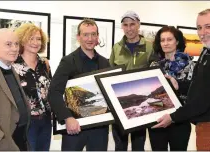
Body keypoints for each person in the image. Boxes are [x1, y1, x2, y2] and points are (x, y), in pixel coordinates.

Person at [152, 9, 210, 151]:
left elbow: (204, 98)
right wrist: (180, 86)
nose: (202, 33)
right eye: (199, 28)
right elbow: (202, 84)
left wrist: (173, 117)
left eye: (208, 27)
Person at [48, 18, 110, 151]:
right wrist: (67, 118)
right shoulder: (68, 61)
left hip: (100, 128)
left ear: (97, 37)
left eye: (93, 34)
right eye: (86, 34)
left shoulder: (106, 63)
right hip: (74, 127)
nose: (90, 38)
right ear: (78, 37)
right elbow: (54, 93)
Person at [109, 10, 154, 151]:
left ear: (138, 24)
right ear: (122, 27)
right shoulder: (116, 48)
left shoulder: (149, 46)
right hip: (119, 105)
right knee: (120, 146)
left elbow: (156, 70)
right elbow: (110, 73)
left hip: (141, 111)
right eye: (125, 25)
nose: (129, 28)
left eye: (132, 24)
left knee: (138, 146)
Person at [148, 26, 195, 151]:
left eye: (169, 39)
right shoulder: (154, 66)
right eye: (162, 40)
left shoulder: (190, 65)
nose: (165, 43)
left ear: (177, 41)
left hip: (180, 120)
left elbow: (195, 90)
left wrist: (178, 85)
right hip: (157, 120)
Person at [12, 23, 52, 151]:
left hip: (46, 121)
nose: (35, 42)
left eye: (38, 39)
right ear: (22, 40)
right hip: (25, 123)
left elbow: (51, 90)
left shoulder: (45, 64)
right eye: (31, 38)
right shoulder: (13, 66)